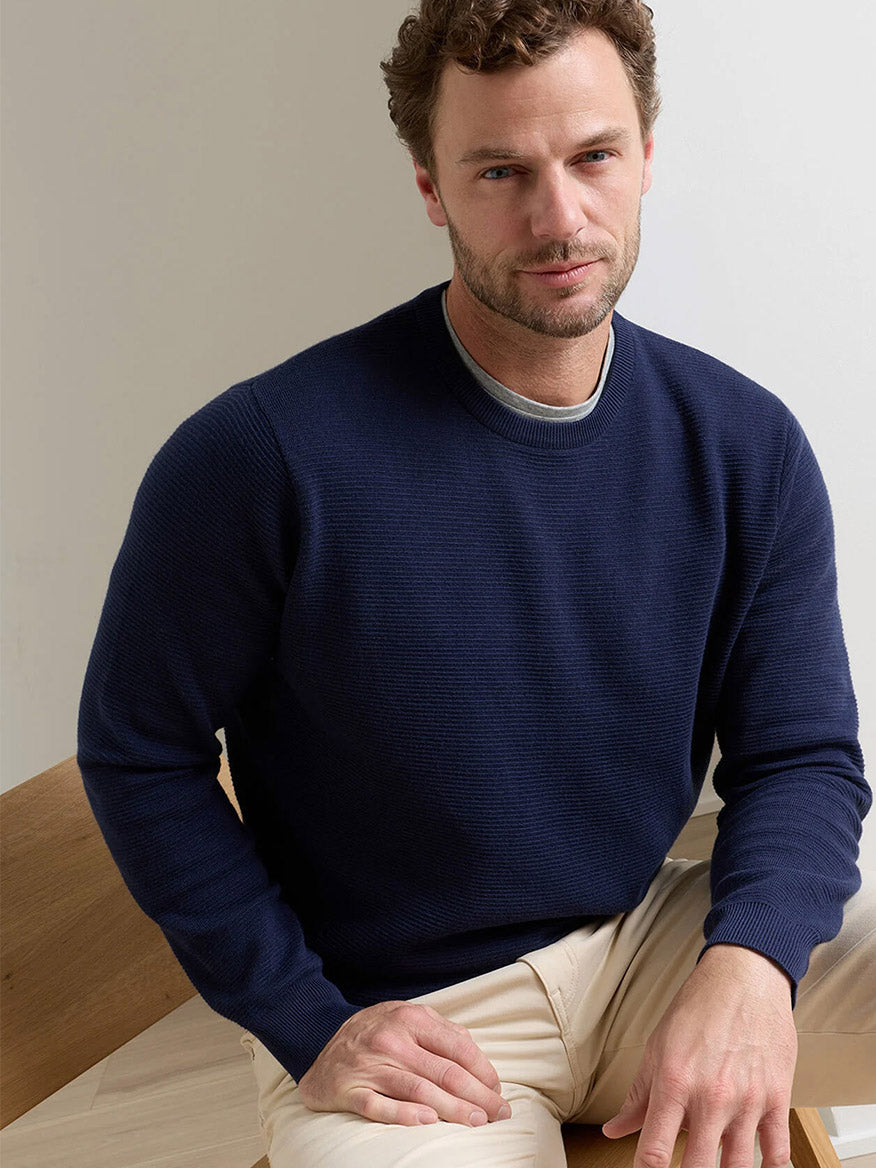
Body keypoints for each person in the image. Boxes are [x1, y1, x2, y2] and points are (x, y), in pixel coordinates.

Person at [77, 2, 875, 1166]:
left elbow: (803, 755)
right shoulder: (261, 454)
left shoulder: (744, 445)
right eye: (501, 170)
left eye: (593, 156)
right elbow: (138, 748)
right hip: (407, 1019)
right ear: (430, 186)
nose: (559, 218)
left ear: (647, 153)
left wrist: (747, 966)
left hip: (651, 938)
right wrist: (306, 1022)